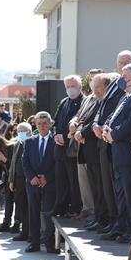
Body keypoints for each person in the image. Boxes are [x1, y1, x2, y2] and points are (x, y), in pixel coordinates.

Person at [101, 63, 131, 243]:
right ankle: (121, 225)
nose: (121, 80)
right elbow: (112, 117)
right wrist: (106, 128)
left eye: (124, 77)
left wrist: (114, 134)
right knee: (121, 193)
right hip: (117, 152)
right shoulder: (125, 97)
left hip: (128, 154)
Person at [92, 51, 131, 234]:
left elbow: (127, 119)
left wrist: (111, 131)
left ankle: (122, 224)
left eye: (127, 62)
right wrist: (96, 125)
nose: (123, 65)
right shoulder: (116, 86)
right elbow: (104, 111)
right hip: (106, 141)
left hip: (121, 144)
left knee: (123, 191)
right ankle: (113, 221)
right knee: (109, 187)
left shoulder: (130, 88)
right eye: (121, 62)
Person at [77, 73, 115, 232]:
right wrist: (80, 129)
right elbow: (87, 119)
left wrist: (83, 132)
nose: (95, 90)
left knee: (101, 187)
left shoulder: (108, 100)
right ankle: (99, 217)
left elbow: (98, 121)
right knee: (96, 188)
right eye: (94, 87)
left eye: (98, 87)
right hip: (90, 149)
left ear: (106, 86)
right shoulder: (95, 100)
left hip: (97, 146)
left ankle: (104, 218)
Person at [22, 111, 59, 253]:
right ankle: (34, 242)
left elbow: (58, 163)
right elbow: (25, 161)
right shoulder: (29, 142)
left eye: (45, 123)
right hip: (33, 183)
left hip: (50, 183)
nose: (42, 126)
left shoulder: (55, 141)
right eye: (39, 124)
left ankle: (49, 243)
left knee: (49, 213)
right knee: (33, 212)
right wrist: (31, 177)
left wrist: (47, 177)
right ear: (35, 125)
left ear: (50, 124)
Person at [52, 75, 84, 218]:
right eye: (68, 86)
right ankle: (60, 207)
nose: (70, 89)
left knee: (74, 181)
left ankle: (76, 208)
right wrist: (55, 134)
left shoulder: (84, 102)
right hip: (59, 148)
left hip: (73, 148)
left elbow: (80, 123)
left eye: (73, 86)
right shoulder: (64, 102)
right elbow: (55, 122)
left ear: (80, 87)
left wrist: (65, 137)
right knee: (60, 180)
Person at [9, 122, 33, 241]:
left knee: (30, 207)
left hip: (30, 180)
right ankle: (24, 232)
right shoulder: (17, 144)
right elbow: (13, 163)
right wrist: (11, 180)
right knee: (21, 206)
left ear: (29, 132)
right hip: (19, 181)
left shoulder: (33, 143)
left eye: (22, 131)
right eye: (18, 131)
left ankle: (31, 233)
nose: (20, 134)